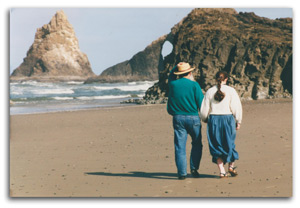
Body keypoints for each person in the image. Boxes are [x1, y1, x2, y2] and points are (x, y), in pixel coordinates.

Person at [200, 71, 242, 178]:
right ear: (226, 79)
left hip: (214, 119)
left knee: (216, 145)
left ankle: (222, 171)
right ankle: (231, 167)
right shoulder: (231, 90)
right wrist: (238, 121)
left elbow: (204, 109)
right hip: (228, 119)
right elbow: (236, 107)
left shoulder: (210, 91)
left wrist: (204, 118)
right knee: (230, 143)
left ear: (215, 79)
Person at [167, 62, 204, 180]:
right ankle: (194, 168)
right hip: (193, 117)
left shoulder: (173, 84)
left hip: (178, 118)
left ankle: (182, 173)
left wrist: (176, 66)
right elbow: (201, 103)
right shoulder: (194, 85)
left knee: (180, 146)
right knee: (197, 143)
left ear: (179, 73)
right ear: (190, 72)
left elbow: (170, 76)